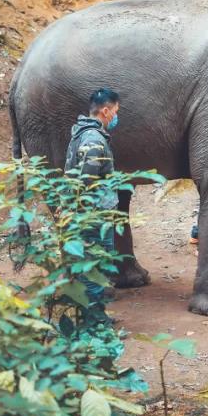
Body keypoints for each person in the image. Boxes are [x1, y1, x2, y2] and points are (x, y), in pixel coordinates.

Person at [64, 88, 121, 325]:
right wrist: (89, 216)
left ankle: (95, 317)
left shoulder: (83, 133)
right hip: (94, 216)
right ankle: (93, 323)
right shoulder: (94, 140)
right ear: (105, 111)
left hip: (91, 214)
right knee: (95, 269)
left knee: (94, 268)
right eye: (115, 111)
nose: (116, 116)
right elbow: (86, 182)